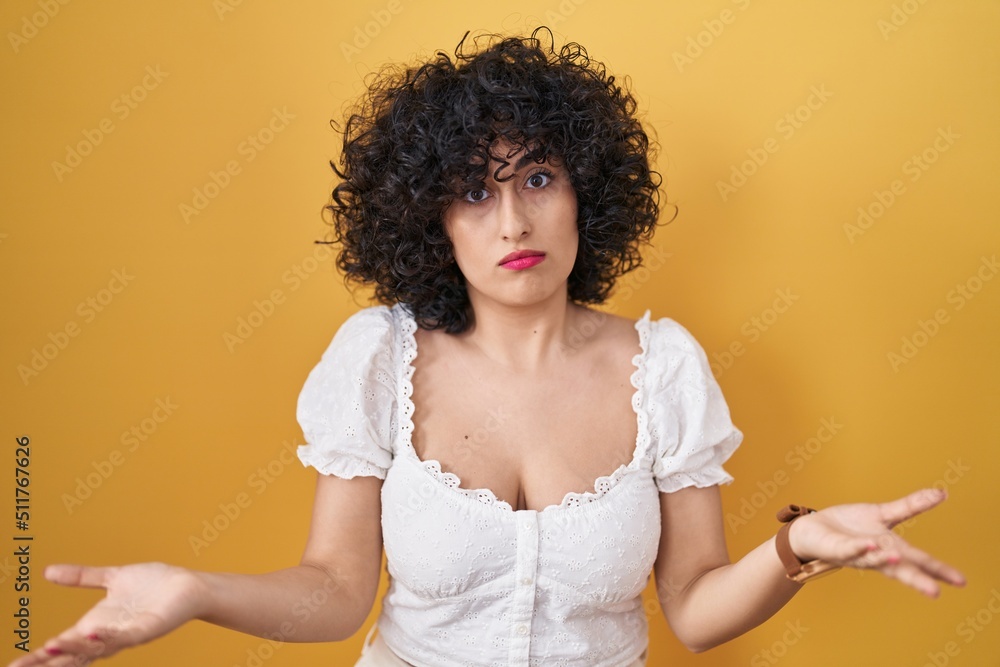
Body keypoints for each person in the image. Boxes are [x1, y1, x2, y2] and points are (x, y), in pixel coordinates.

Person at [10, 27, 965, 667]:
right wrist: (192, 590)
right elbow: (338, 594)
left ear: (589, 189)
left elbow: (696, 609)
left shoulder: (665, 368)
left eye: (539, 175)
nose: (514, 217)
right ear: (432, 219)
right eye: (474, 189)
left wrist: (796, 546)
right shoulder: (378, 361)